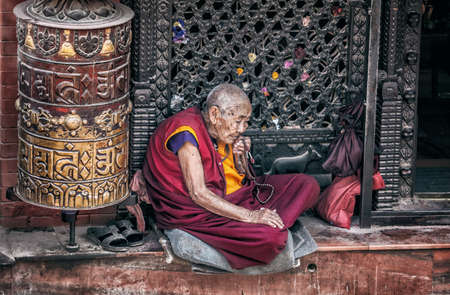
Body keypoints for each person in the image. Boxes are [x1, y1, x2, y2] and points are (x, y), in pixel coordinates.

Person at [129, 83, 320, 269]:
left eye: (245, 122)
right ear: (214, 114)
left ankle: (270, 222)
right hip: (201, 213)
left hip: (236, 197)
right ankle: (268, 226)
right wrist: (251, 216)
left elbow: (240, 177)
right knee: (272, 240)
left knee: (308, 185)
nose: (242, 128)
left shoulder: (219, 131)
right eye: (238, 121)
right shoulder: (186, 133)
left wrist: (241, 157)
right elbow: (199, 194)